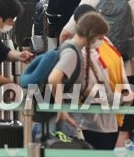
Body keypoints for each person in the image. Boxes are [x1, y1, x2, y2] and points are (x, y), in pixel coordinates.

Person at [49, 11, 120, 150]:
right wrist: (61, 108)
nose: (100, 42)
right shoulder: (72, 52)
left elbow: (80, 85)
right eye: (100, 37)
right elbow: (54, 78)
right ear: (92, 34)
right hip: (68, 116)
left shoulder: (74, 49)